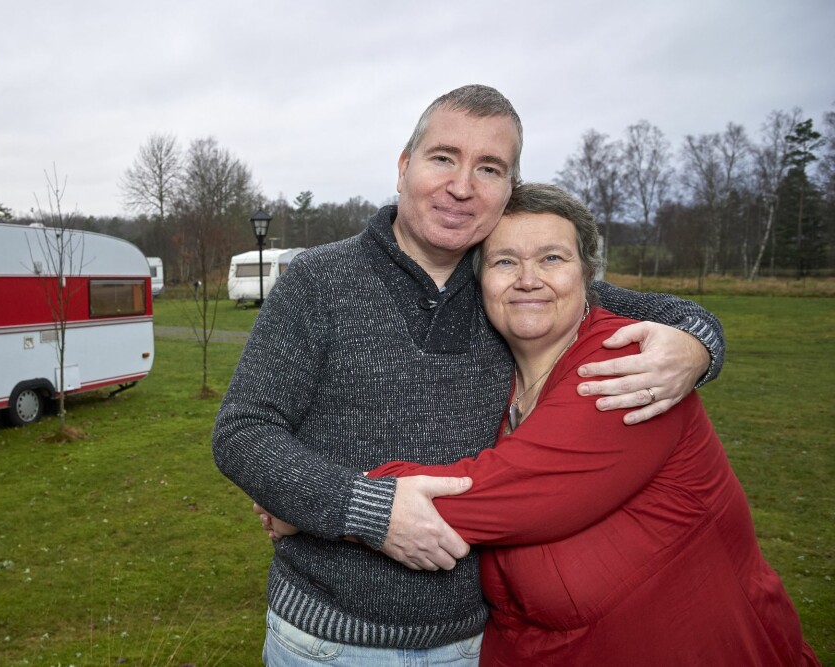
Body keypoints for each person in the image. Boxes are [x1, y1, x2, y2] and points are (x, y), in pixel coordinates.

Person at [212, 84, 726, 666]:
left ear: (508, 189)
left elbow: (668, 313)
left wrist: (697, 348)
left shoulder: (509, 283)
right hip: (325, 640)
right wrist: (359, 509)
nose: (461, 186)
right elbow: (243, 431)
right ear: (404, 167)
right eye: (443, 159)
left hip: (472, 642)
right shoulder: (318, 281)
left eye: (489, 168)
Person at [360, 183, 818, 665]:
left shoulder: (625, 367)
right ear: (481, 282)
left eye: (552, 258)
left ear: (587, 276)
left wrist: (324, 499)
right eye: (505, 261)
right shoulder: (496, 385)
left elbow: (481, 497)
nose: (528, 279)